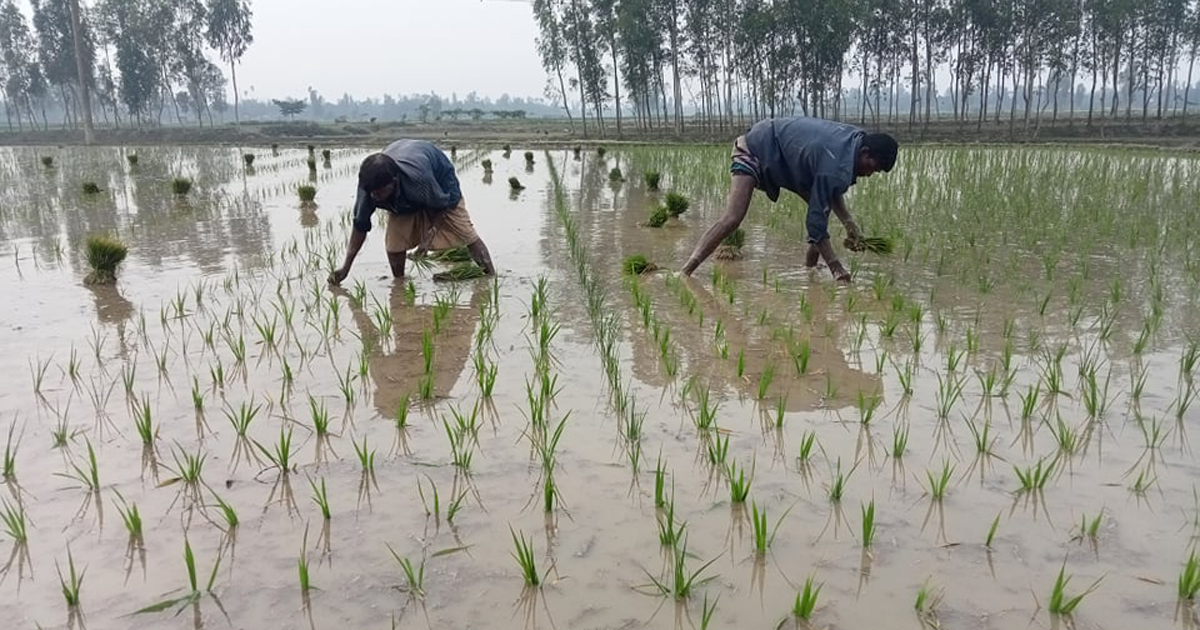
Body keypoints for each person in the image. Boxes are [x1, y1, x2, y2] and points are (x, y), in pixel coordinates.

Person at [680, 117, 898, 282]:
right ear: (865, 152)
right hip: (756, 148)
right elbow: (817, 218)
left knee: (820, 209)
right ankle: (685, 272)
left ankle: (809, 269)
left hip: (785, 158)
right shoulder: (836, 163)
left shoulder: (854, 142)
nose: (870, 174)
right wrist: (837, 268)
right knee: (733, 217)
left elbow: (829, 192)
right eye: (873, 167)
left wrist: (850, 224)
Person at [328, 140, 495, 284]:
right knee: (394, 245)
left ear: (394, 182)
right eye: (372, 192)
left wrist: (429, 236)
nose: (375, 197)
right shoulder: (369, 187)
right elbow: (360, 226)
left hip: (439, 178)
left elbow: (441, 204)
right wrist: (345, 268)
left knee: (465, 232)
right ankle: (399, 283)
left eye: (379, 192)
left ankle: (490, 276)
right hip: (404, 172)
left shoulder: (420, 181)